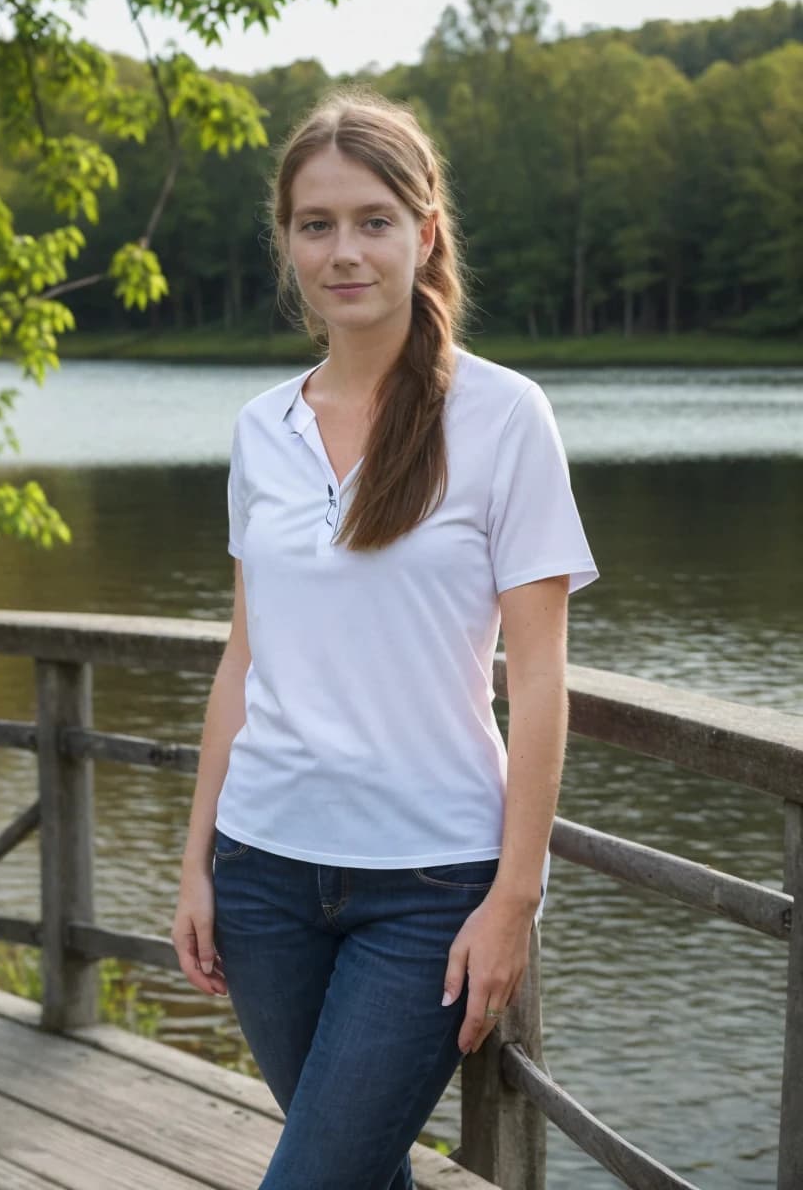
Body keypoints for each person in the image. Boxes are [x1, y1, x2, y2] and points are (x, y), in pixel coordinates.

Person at [171, 84, 599, 1190]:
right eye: (316, 225)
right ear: (286, 243)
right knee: (358, 1172)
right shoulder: (258, 431)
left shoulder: (502, 418)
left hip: (428, 888)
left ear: (424, 231)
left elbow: (541, 684)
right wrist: (195, 864)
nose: (343, 251)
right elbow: (243, 657)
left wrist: (513, 897)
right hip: (262, 875)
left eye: (372, 220)